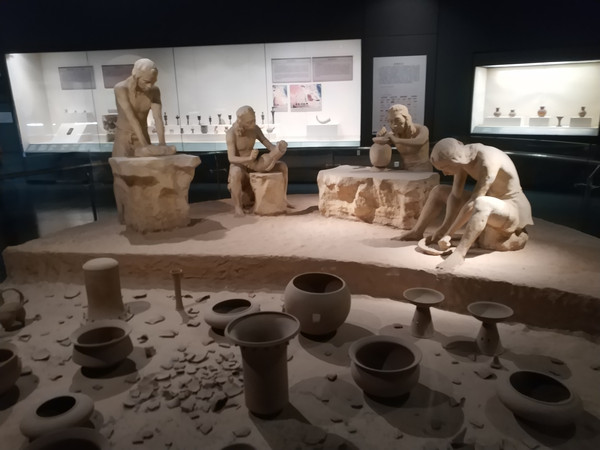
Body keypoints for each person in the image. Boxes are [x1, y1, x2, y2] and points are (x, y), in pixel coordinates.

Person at [393, 137, 533, 271]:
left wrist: (449, 233)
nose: (445, 173)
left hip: (511, 206)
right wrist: (444, 227)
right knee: (439, 191)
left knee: (481, 204)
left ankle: (460, 254)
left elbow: (474, 201)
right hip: (491, 201)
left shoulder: (488, 160)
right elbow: (455, 195)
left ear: (455, 160)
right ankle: (417, 232)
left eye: (445, 168)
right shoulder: (463, 160)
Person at [226, 105, 288, 216]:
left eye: (254, 120)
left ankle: (284, 199)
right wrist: (248, 158)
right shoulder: (231, 133)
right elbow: (231, 158)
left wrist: (278, 149)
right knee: (235, 172)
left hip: (254, 165)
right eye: (249, 122)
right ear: (241, 121)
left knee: (282, 166)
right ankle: (238, 207)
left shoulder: (255, 129)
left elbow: (268, 145)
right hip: (240, 166)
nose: (253, 124)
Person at [112, 58, 173, 157]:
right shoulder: (121, 88)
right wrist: (145, 146)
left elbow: (158, 118)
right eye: (146, 82)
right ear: (136, 77)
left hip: (143, 135)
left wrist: (162, 144)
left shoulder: (154, 91)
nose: (150, 86)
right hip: (124, 138)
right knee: (124, 165)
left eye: (153, 82)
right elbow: (131, 118)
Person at [375, 104, 432, 172]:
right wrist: (380, 139)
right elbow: (380, 147)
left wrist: (396, 140)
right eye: (390, 121)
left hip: (422, 169)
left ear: (406, 119)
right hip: (405, 169)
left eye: (397, 120)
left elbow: (420, 141)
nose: (394, 125)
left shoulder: (421, 129)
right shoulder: (393, 135)